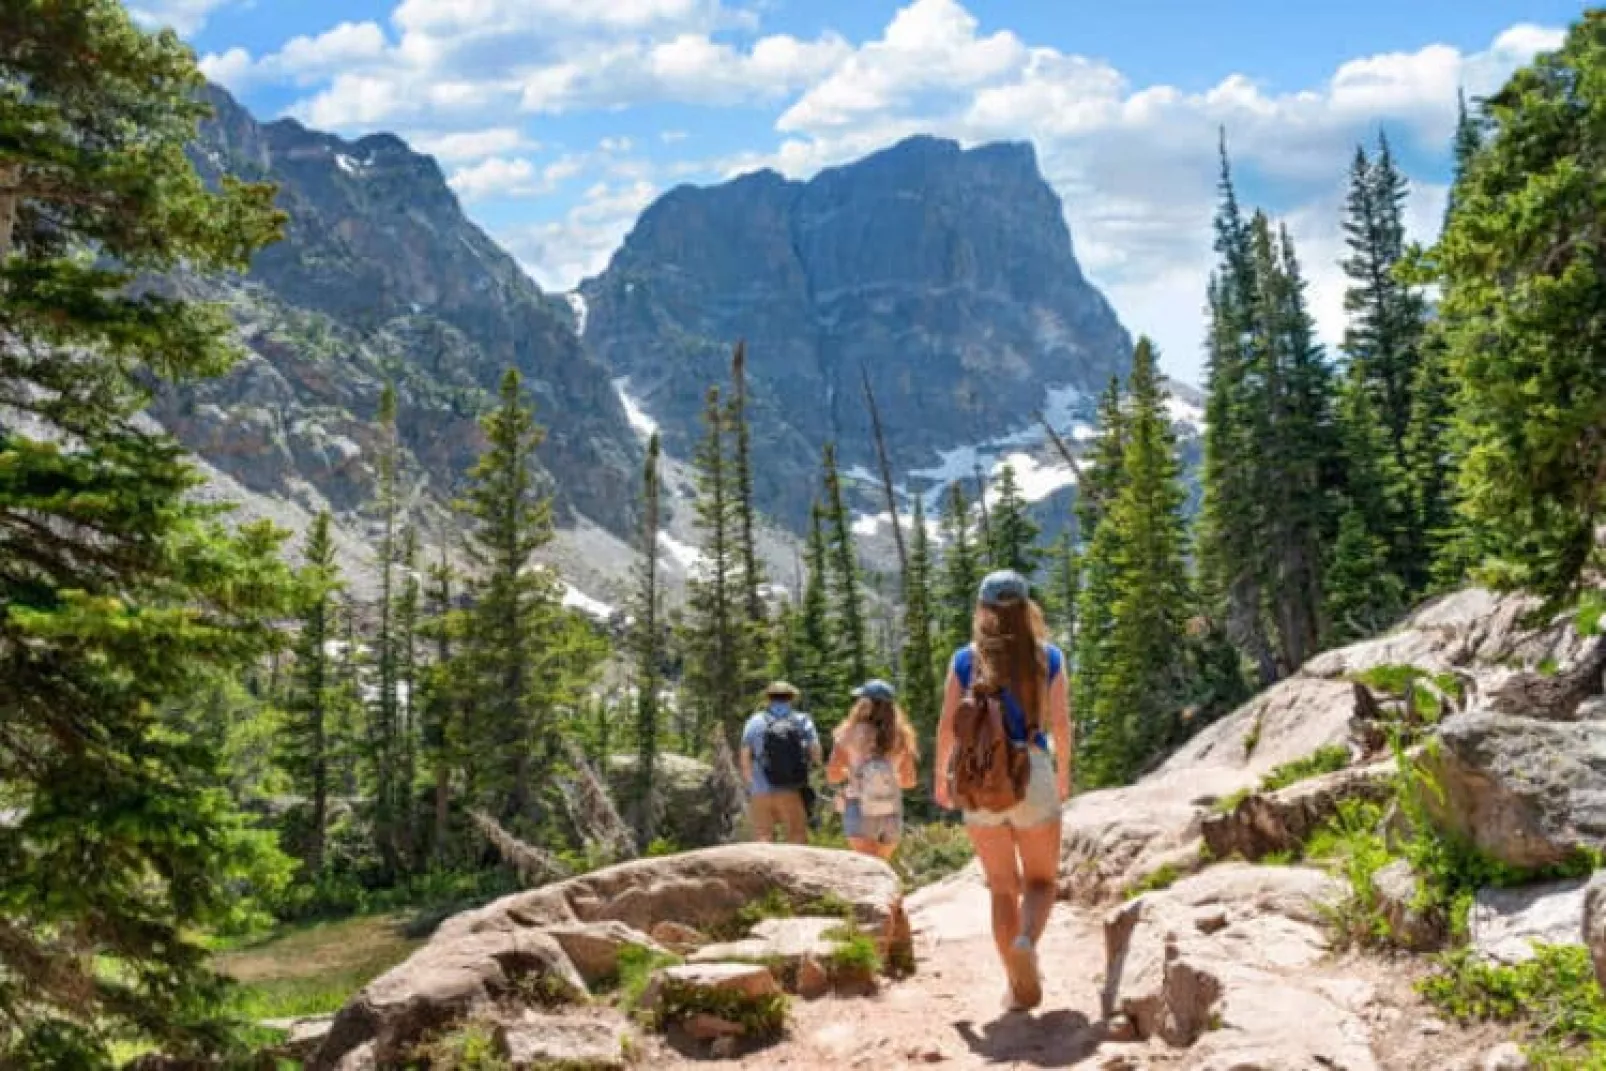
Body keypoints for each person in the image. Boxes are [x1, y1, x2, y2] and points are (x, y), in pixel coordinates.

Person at [934, 569, 1073, 1013]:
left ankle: (1015, 985)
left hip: (979, 779)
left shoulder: (964, 660)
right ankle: (1026, 942)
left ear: (983, 609)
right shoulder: (1047, 657)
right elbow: (1062, 725)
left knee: (1000, 888)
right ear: (1027, 608)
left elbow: (947, 727)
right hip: (1031, 768)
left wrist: (942, 777)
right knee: (1041, 881)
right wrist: (1064, 773)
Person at [826, 679, 919, 861]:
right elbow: (909, 781)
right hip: (890, 809)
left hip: (858, 807)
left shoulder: (848, 733)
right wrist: (886, 780)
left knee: (865, 869)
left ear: (863, 704)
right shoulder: (902, 736)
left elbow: (832, 775)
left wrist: (851, 775)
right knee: (881, 866)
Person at [740, 681, 822, 844]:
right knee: (796, 836)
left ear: (768, 699)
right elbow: (815, 751)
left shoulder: (754, 721)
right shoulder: (802, 720)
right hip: (791, 789)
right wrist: (811, 767)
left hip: (760, 790)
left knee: (762, 838)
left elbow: (744, 757)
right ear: (791, 698)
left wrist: (752, 782)